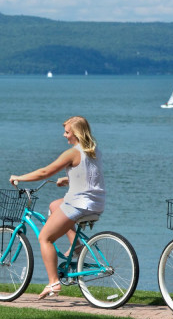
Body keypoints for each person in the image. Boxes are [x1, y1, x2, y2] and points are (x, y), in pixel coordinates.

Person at [10, 116, 105, 300]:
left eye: (67, 132)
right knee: (55, 205)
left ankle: (54, 282)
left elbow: (46, 172)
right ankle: (77, 247)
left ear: (76, 134)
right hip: (96, 203)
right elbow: (91, 176)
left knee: (45, 237)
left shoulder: (72, 153)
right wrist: (69, 179)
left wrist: (19, 177)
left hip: (79, 204)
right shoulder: (93, 151)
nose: (64, 135)